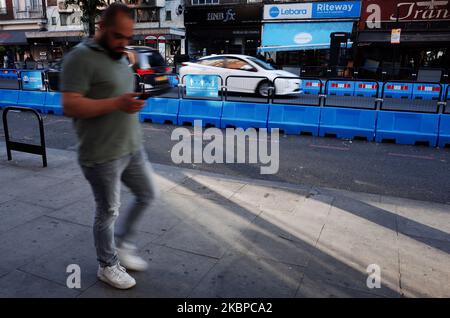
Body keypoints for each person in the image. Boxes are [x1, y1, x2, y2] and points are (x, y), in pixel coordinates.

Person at [61, 3, 158, 290]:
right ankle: (108, 265)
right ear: (101, 27)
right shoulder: (79, 58)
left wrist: (132, 99)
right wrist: (117, 103)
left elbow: (117, 90)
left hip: (131, 146)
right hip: (101, 154)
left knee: (147, 194)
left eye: (128, 37)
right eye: (118, 36)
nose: (124, 43)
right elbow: (70, 104)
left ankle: (125, 244)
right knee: (108, 211)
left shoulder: (120, 54)